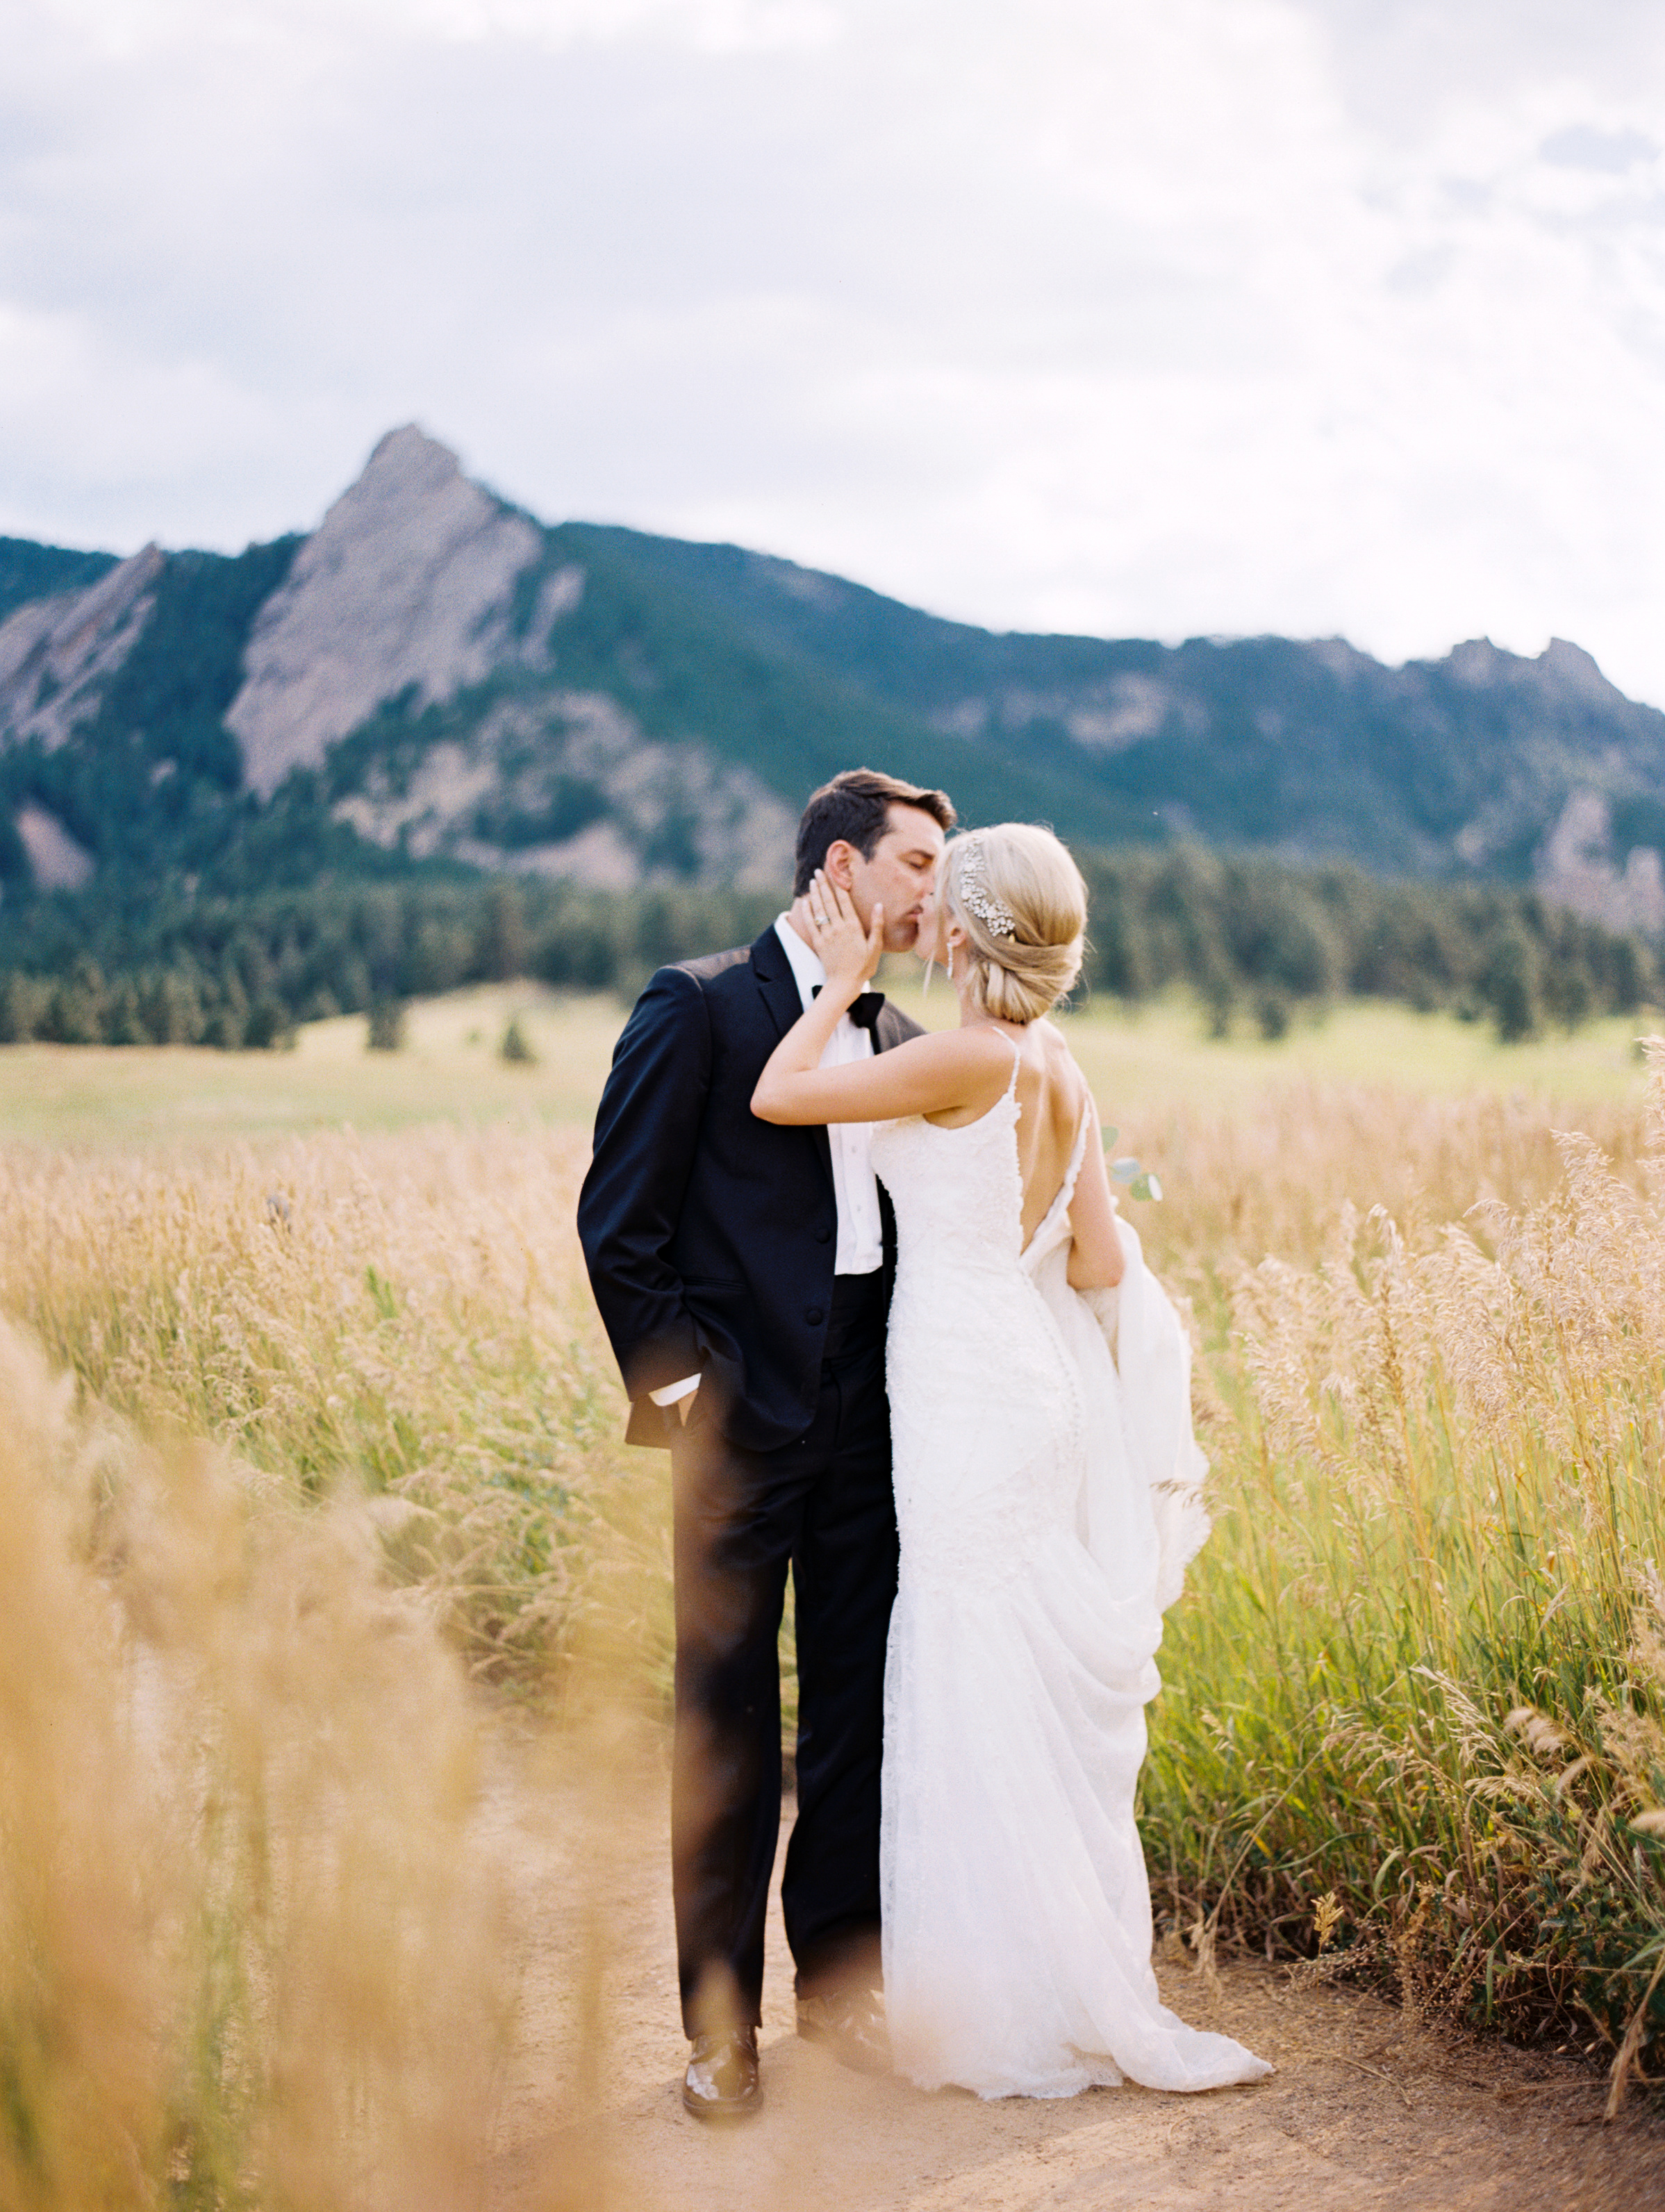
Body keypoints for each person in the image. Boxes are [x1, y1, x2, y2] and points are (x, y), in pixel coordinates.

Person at [752, 823, 1271, 2097]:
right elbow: (1096, 1264)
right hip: (1030, 1386)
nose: (919, 911)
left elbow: (776, 1094)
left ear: (971, 934)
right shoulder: (1056, 1065)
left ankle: (990, 2000)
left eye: (943, 900)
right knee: (1015, 1668)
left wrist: (836, 981)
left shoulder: (957, 1061)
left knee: (962, 1658)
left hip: (953, 1386)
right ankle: (1056, 1968)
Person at [577, 768, 954, 2120]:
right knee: (728, 1724)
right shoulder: (697, 1003)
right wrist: (692, 1416)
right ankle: (717, 2030)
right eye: (914, 866)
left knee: (852, 1714)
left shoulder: (900, 1024)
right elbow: (618, 1228)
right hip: (737, 1426)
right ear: (841, 866)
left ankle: (838, 1991)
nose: (931, 893)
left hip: (869, 1420)